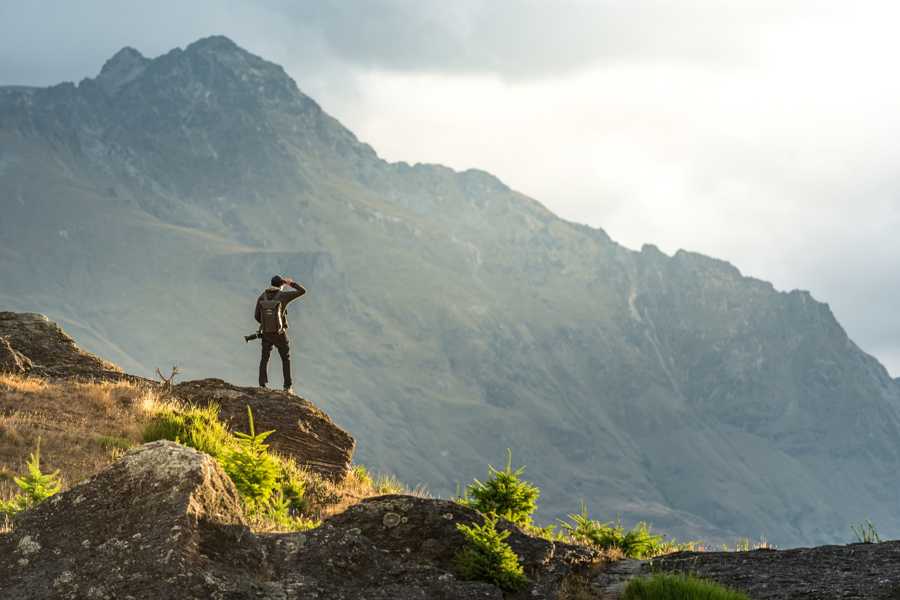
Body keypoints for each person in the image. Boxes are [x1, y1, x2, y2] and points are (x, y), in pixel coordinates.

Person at [254, 275, 306, 393]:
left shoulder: (262, 296)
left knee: (264, 357)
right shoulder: (283, 296)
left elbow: (256, 316)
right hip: (279, 333)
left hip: (266, 332)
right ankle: (287, 387)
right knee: (285, 357)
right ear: (281, 285)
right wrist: (291, 283)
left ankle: (262, 385)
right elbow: (302, 291)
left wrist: (267, 325)